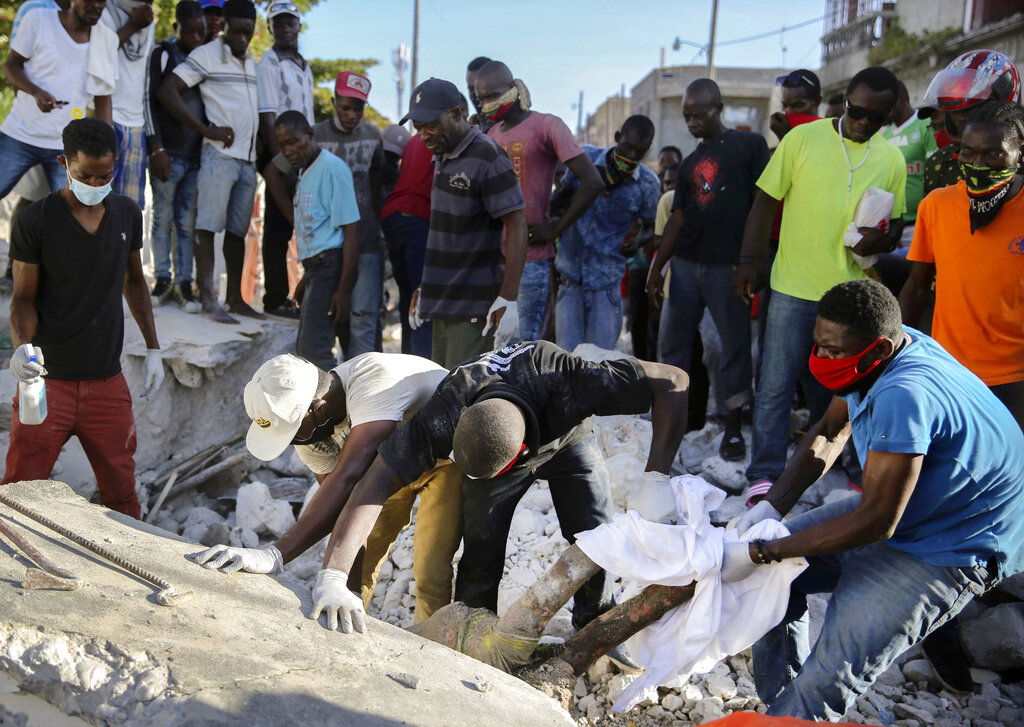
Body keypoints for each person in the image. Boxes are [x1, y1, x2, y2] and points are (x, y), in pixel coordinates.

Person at [725, 278, 1024, 721]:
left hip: (954, 542)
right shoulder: (882, 352)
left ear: (879, 350)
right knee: (771, 580)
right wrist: (768, 512)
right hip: (914, 503)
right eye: (818, 345)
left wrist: (763, 549)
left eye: (832, 351)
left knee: (828, 676)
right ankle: (781, 709)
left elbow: (876, 522)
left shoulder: (904, 393)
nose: (820, 358)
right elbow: (829, 431)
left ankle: (796, 711)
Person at [296, 340, 688, 657]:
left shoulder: (571, 377)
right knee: (481, 553)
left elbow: (672, 380)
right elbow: (370, 485)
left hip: (567, 440)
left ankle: (594, 625)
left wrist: (656, 477)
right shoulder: (445, 409)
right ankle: (473, 639)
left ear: (518, 453)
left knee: (593, 531)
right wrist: (332, 575)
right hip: (489, 451)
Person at [734, 67, 907, 505]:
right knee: (774, 384)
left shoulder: (892, 158)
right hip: (792, 286)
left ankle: (844, 468)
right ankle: (764, 475)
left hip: (850, 297)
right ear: (844, 99)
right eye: (858, 111)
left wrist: (882, 239)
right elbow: (765, 201)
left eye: (877, 117)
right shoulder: (802, 139)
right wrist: (750, 262)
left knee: (847, 391)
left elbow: (895, 226)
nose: (864, 123)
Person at [194, 351, 463, 625]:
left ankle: (429, 644)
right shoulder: (311, 435)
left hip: (442, 461)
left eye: (294, 432)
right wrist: (343, 584)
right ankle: (356, 619)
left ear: (319, 408)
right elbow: (340, 504)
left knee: (432, 565)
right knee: (356, 558)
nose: (294, 442)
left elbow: (350, 476)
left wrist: (274, 554)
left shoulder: (376, 383)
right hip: (386, 469)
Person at [4, 118, 164, 519]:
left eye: (105, 175)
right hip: (46, 383)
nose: (96, 184)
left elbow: (134, 282)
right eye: (85, 175)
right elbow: (22, 298)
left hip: (107, 383)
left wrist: (154, 347)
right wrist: (22, 348)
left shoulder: (127, 213)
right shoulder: (34, 220)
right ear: (64, 164)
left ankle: (128, 571)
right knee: (19, 491)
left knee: (123, 496)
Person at [648, 79, 769, 462]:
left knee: (733, 348)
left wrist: (750, 262)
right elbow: (678, 219)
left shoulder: (749, 146)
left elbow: (761, 207)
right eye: (687, 116)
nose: (692, 122)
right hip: (685, 267)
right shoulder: (687, 163)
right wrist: (658, 267)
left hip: (726, 268)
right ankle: (670, 427)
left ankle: (733, 428)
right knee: (672, 347)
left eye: (698, 114)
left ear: (718, 108)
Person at [901, 100, 1024, 429]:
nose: (978, 164)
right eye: (968, 153)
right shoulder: (937, 206)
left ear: (1019, 155)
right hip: (949, 372)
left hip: (1016, 379)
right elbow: (916, 287)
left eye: (994, 155)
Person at [403, 78, 528, 368]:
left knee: (464, 397)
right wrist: (425, 287)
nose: (423, 134)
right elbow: (445, 234)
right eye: (418, 127)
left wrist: (509, 297)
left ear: (456, 114)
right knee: (444, 393)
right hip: (442, 303)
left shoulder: (487, 156)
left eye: (430, 124)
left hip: (473, 308)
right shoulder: (442, 155)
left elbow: (517, 223)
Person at [476, 61, 602, 341]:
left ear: (512, 89)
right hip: (496, 260)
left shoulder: (547, 125)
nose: (486, 105)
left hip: (532, 260)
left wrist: (556, 228)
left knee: (524, 348)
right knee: (498, 348)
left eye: (491, 96)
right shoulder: (492, 135)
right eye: (481, 98)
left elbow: (592, 181)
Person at [159, 0, 260, 324]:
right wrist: (205, 129)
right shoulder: (205, 55)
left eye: (249, 32)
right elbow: (168, 91)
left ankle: (235, 299)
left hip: (248, 160)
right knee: (206, 227)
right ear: (224, 27)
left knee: (237, 231)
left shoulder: (252, 62)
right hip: (218, 156)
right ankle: (208, 299)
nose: (243, 38)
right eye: (237, 31)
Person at [553, 115, 660, 352]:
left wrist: (637, 241)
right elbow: (560, 198)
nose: (631, 157)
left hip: (606, 287)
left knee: (599, 365)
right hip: (570, 282)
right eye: (627, 147)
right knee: (565, 362)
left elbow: (651, 228)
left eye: (639, 152)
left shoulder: (648, 184)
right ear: (617, 138)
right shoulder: (586, 158)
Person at [0, 0, 115, 199]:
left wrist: (109, 145)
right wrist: (36, 92)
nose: (97, 5)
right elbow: (11, 66)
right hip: (20, 133)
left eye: (102, 1)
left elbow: (103, 98)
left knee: (70, 213)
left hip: (67, 146)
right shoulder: (38, 19)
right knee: (29, 202)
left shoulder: (106, 39)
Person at [273, 111, 359, 371]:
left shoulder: (332, 169)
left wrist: (342, 290)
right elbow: (318, 231)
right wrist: (305, 279)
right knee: (309, 346)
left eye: (293, 142)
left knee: (314, 350)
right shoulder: (304, 171)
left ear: (310, 135)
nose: (288, 151)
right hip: (316, 269)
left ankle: (330, 409)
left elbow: (352, 231)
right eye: (282, 146)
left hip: (331, 267)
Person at [313, 72, 386, 359]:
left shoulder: (373, 136)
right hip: (326, 245)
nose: (352, 115)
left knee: (364, 317)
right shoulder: (315, 135)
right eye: (345, 107)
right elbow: (281, 172)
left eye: (358, 109)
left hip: (366, 241)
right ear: (333, 102)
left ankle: (362, 387)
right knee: (329, 315)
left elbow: (378, 183)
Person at [143, 0, 206, 311]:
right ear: (176, 28)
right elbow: (150, 101)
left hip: (196, 158)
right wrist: (156, 148)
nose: (195, 37)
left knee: (186, 222)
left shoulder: (207, 57)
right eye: (189, 31)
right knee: (162, 218)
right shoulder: (163, 54)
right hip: (167, 154)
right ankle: (162, 279)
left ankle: (184, 282)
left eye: (201, 31)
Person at [255, 0, 313, 321]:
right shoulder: (269, 63)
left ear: (299, 26)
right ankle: (275, 297)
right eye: (279, 23)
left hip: (303, 156)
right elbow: (268, 116)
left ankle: (303, 296)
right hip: (282, 156)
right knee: (277, 229)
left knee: (304, 226)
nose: (286, 28)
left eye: (291, 22)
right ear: (271, 28)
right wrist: (283, 160)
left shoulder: (304, 66)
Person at [922, 50, 1020, 196]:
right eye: (955, 111)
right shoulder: (938, 164)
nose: (961, 118)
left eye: (971, 110)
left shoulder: (1019, 160)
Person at [381, 131, 434, 358]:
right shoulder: (441, 138)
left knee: (407, 296)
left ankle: (407, 357)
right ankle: (422, 366)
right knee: (422, 297)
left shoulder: (413, 141)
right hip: (418, 214)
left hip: (392, 215)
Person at [100, 0, 155, 210]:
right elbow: (101, 52)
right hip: (106, 117)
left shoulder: (147, 17)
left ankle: (124, 244)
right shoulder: (103, 11)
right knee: (97, 201)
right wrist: (132, 25)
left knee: (128, 208)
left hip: (136, 124)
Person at [769, 69, 821, 142]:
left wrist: (785, 138)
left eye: (798, 105)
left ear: (816, 101)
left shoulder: (830, 136)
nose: (787, 111)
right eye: (784, 105)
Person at [465, 56, 492, 131]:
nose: (475, 94)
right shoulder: (470, 131)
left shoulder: (516, 123)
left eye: (478, 88)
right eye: (471, 89)